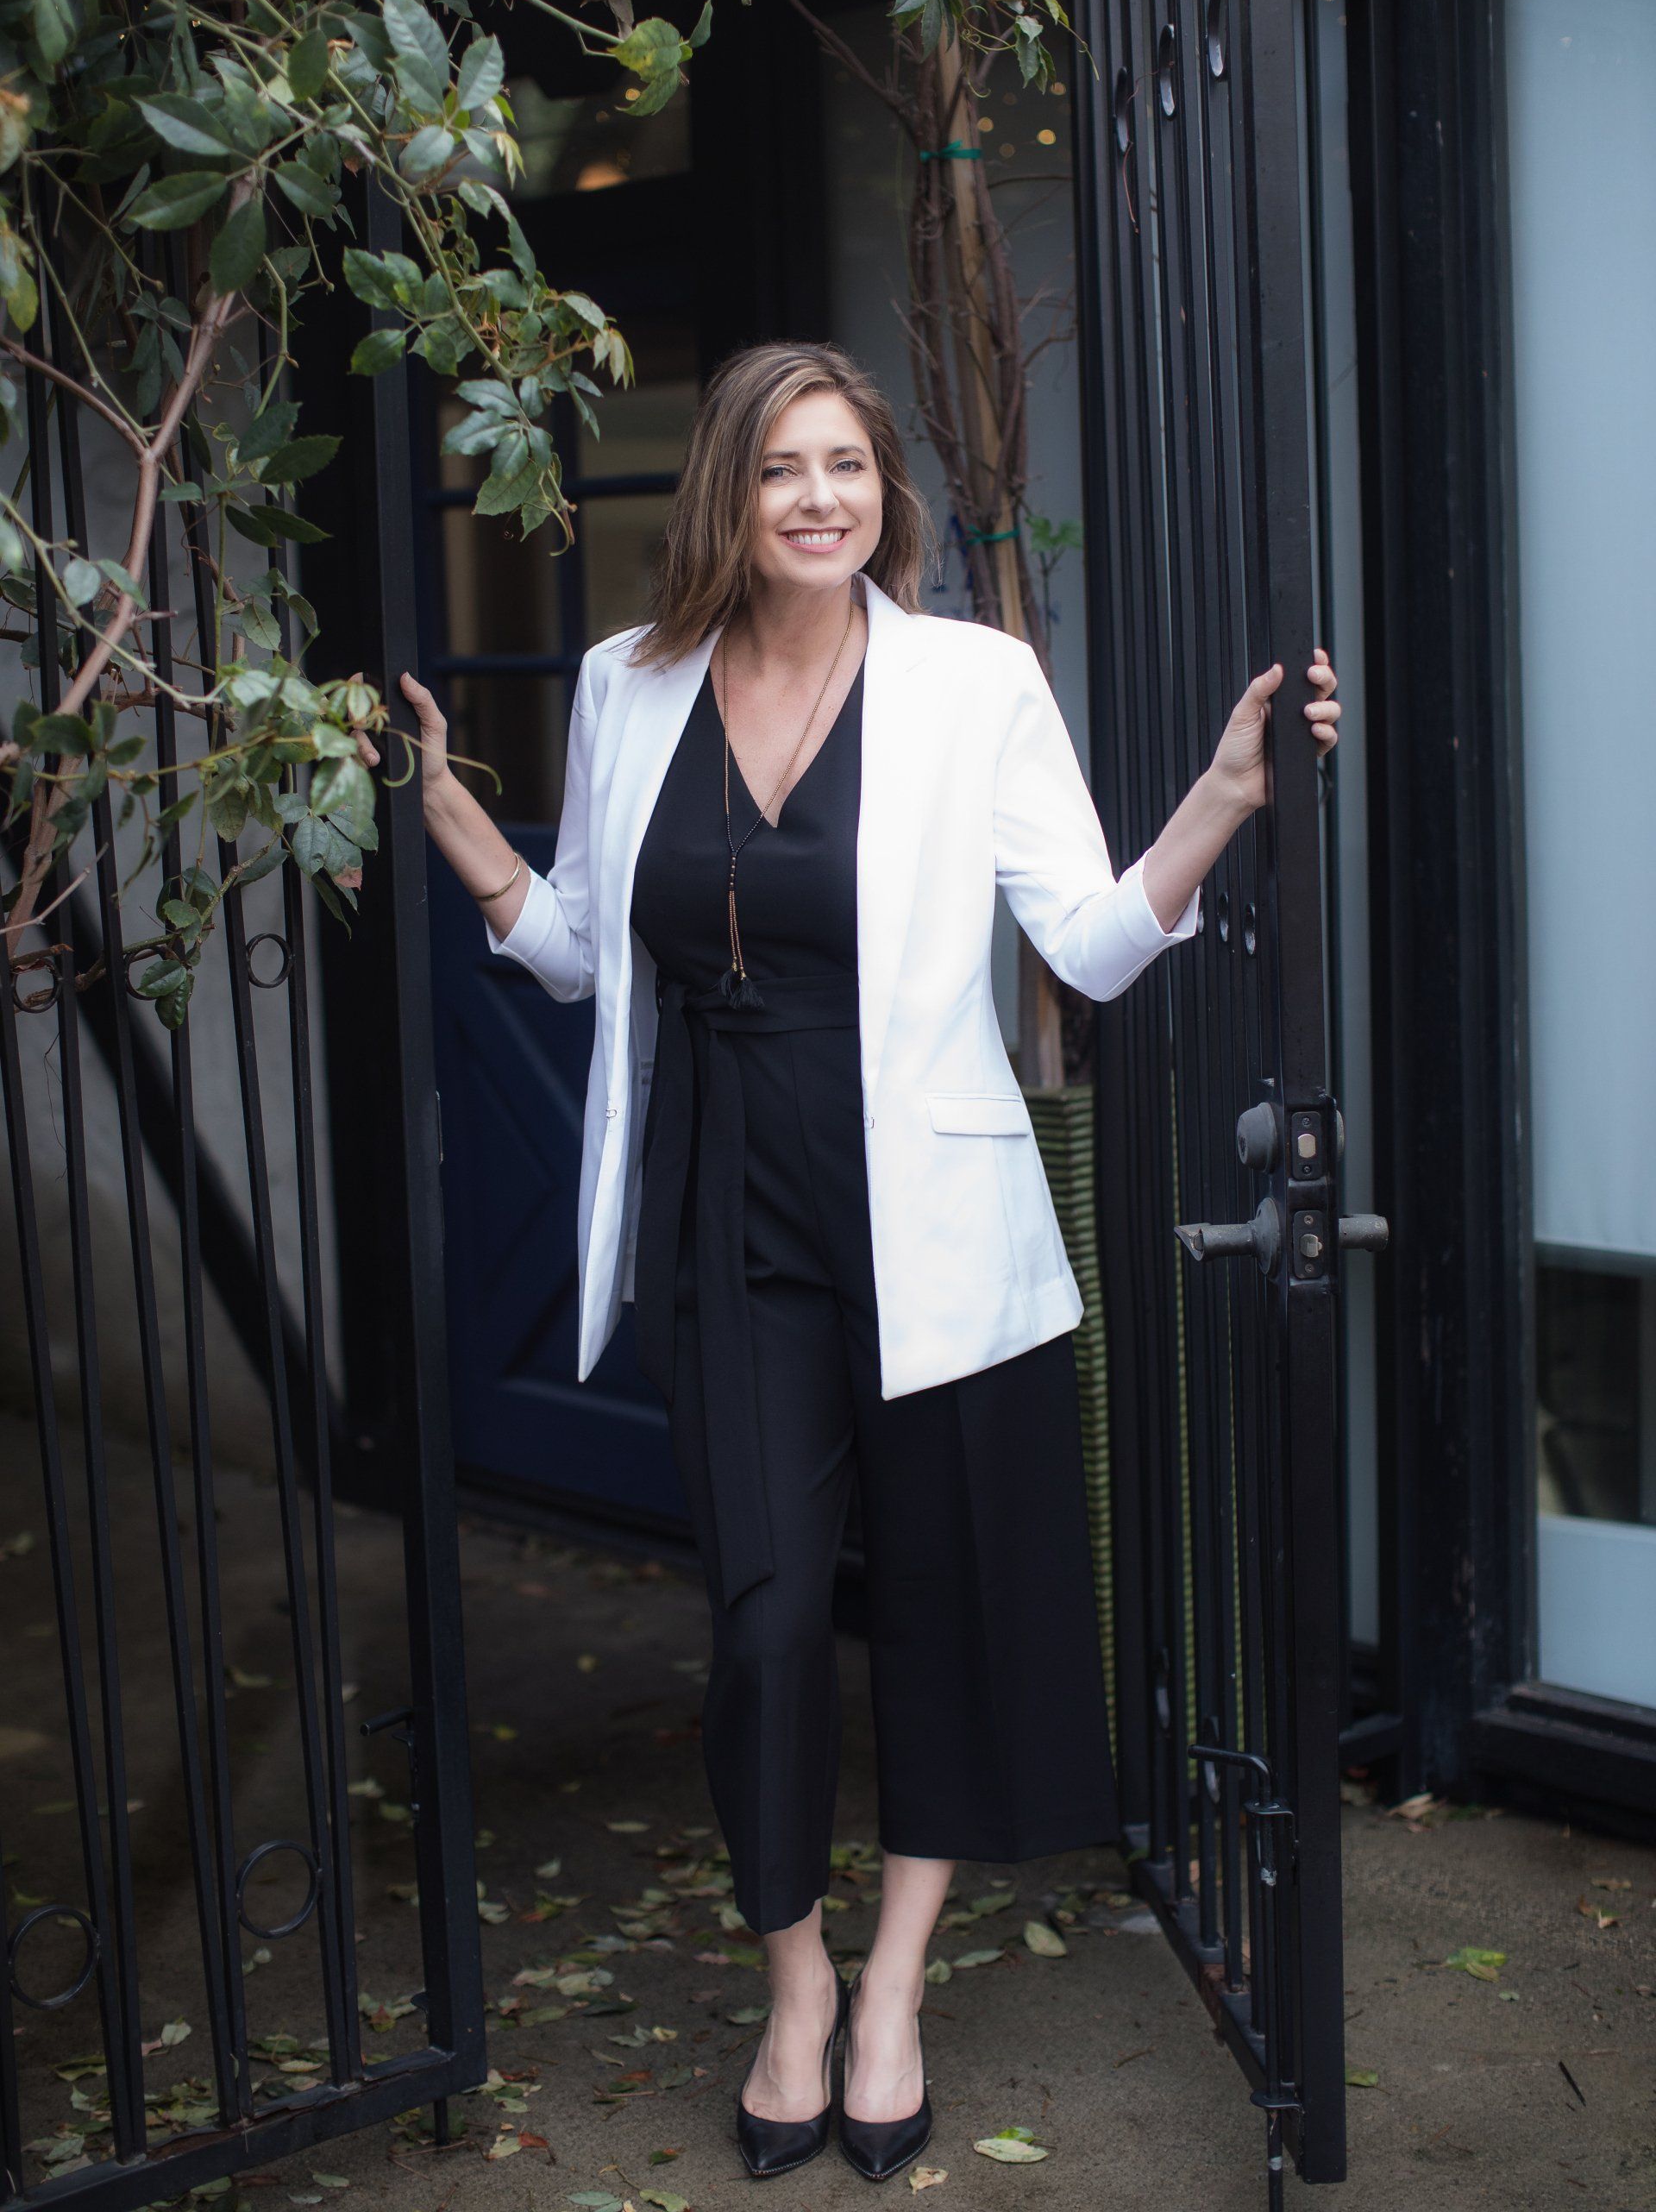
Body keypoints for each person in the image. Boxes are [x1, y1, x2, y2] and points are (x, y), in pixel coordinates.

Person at [380, 342, 1339, 2184]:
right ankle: (794, 1982)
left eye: (848, 468)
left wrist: (1221, 794)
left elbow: (1084, 936)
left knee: (944, 1601)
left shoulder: (973, 682)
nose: (820, 498)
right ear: (727, 496)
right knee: (760, 1615)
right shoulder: (628, 680)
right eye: (780, 470)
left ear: (882, 494)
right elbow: (584, 944)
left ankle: (895, 1984)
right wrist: (447, 814)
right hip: (723, 1195)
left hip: (927, 1202)